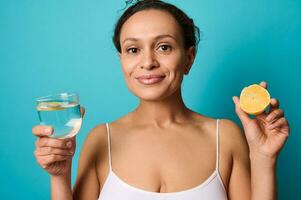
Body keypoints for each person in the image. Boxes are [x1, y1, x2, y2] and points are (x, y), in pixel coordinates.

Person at [32, 0, 290, 199]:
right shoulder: (101, 140)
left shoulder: (226, 136)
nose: (147, 62)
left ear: (188, 58)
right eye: (133, 50)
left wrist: (263, 157)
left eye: (164, 47)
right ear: (122, 60)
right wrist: (59, 177)